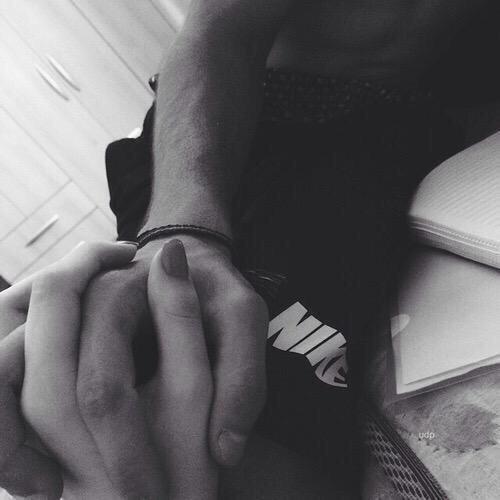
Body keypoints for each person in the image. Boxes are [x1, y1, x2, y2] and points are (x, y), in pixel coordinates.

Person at [1, 0, 500, 497]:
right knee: (203, 399)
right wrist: (183, 231)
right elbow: (219, 28)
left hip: (416, 142)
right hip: (254, 128)